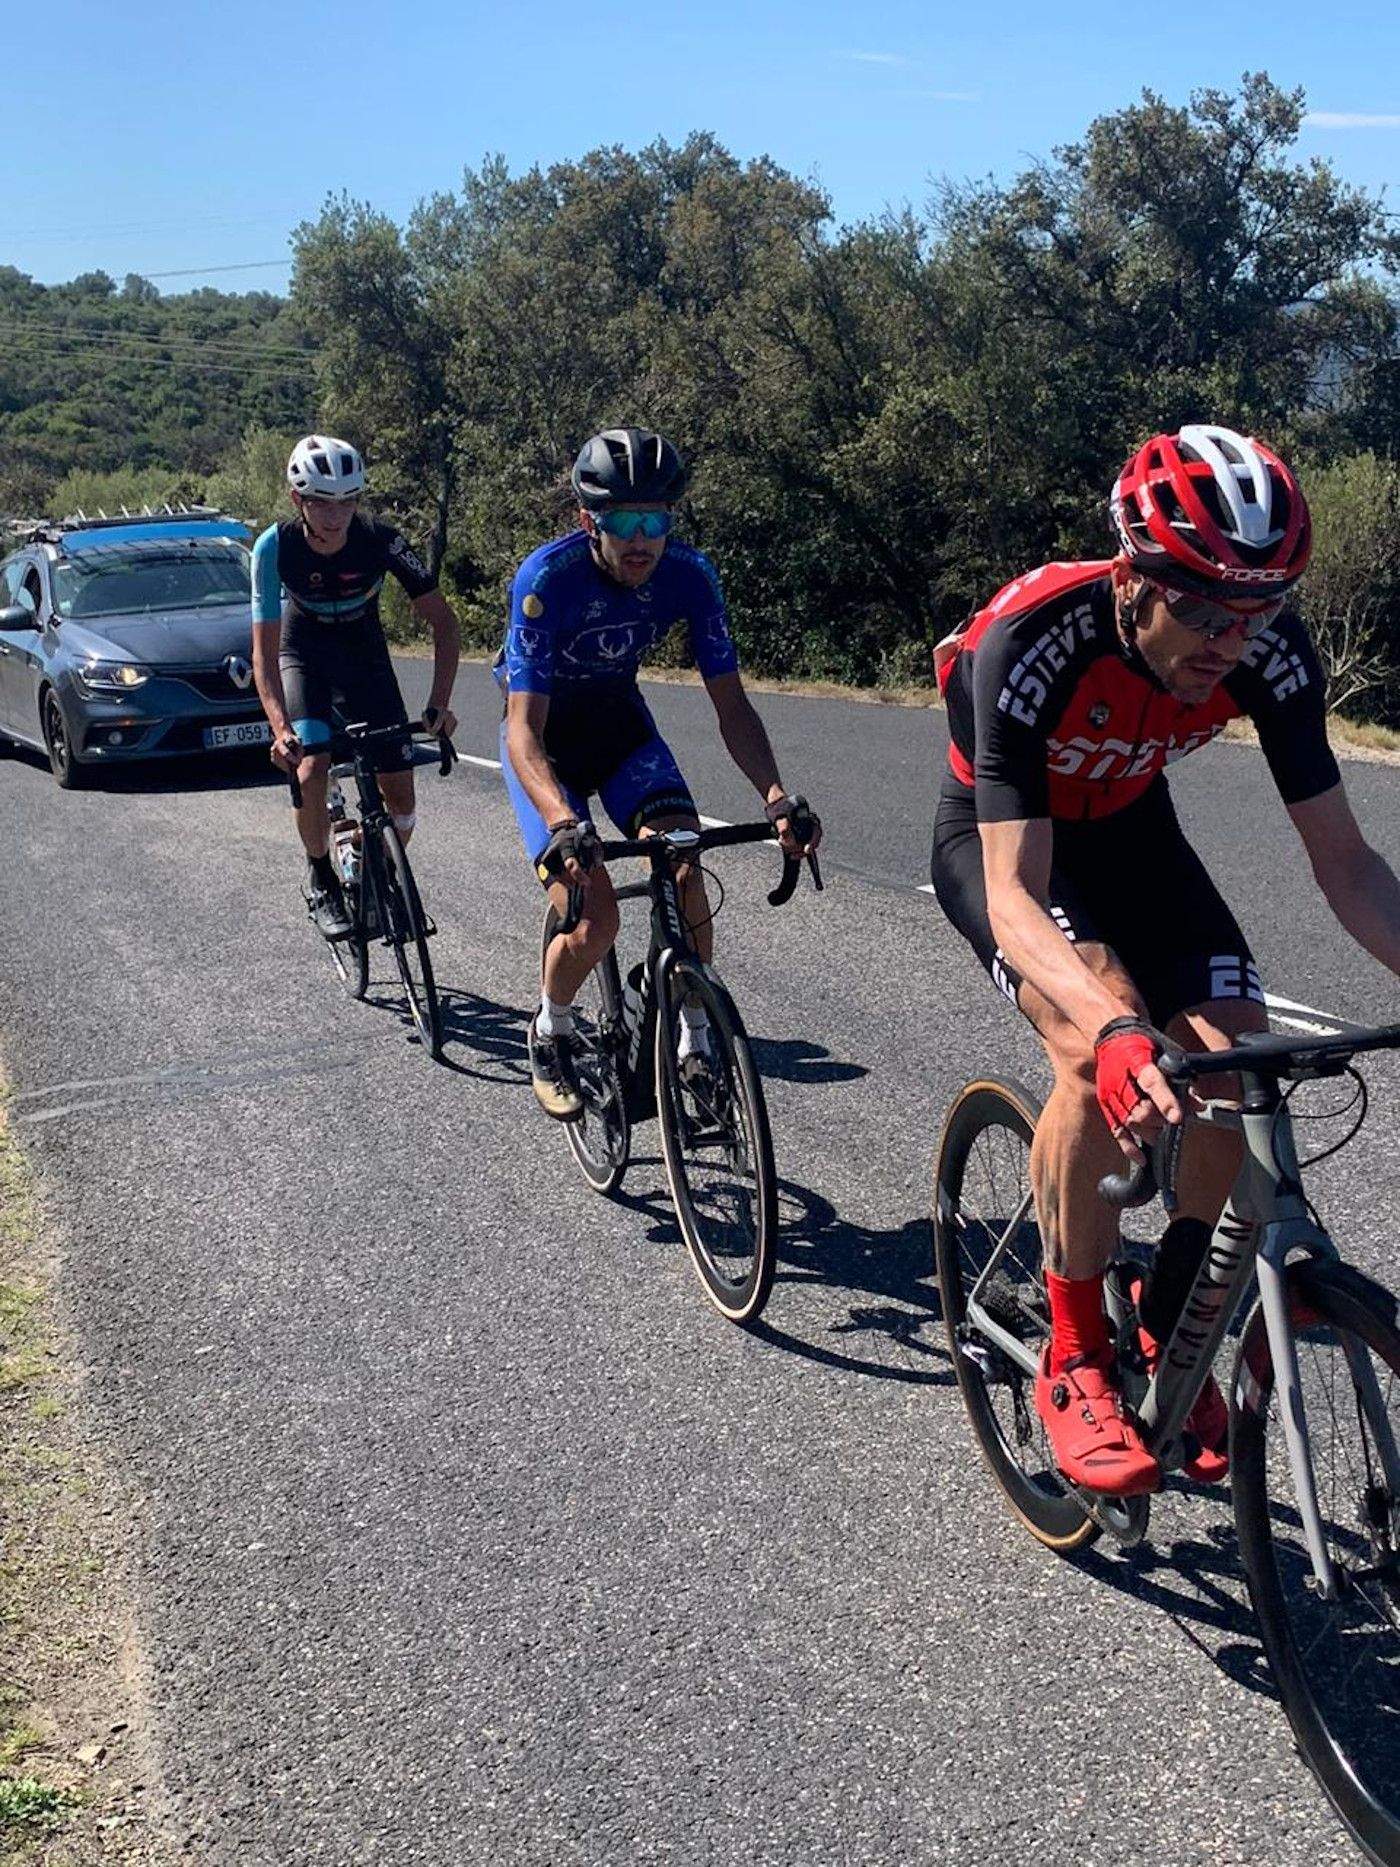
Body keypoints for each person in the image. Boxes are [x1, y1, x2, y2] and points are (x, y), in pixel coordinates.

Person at [930, 423, 1400, 1494]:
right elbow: (1009, 892)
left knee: (1235, 1062)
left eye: (1255, 608)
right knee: (1101, 1045)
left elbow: (1347, 866)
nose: (1225, 638)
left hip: (1133, 833)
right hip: (1007, 843)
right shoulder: (1032, 635)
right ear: (1130, 576)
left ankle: (1172, 1320)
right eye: (1195, 606)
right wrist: (1106, 1028)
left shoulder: (1266, 652)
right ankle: (1074, 1350)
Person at [497, 426, 820, 1118]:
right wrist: (562, 822)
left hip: (618, 724)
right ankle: (551, 1027)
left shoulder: (690, 575)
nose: (641, 538)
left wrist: (775, 798)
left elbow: (731, 705)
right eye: (623, 521)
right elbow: (522, 728)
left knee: (684, 860)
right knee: (597, 917)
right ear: (590, 521)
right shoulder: (546, 580)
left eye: (656, 520)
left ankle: (694, 1037)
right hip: (546, 741)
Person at [250, 436, 460, 938]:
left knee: (403, 799)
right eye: (322, 501)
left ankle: (380, 872)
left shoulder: (381, 539)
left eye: (347, 501)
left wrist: (439, 704)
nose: (335, 514)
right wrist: (280, 729)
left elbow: (446, 624)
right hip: (304, 653)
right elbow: (264, 652)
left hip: (364, 654)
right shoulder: (274, 546)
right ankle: (321, 877)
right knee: (312, 765)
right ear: (299, 501)